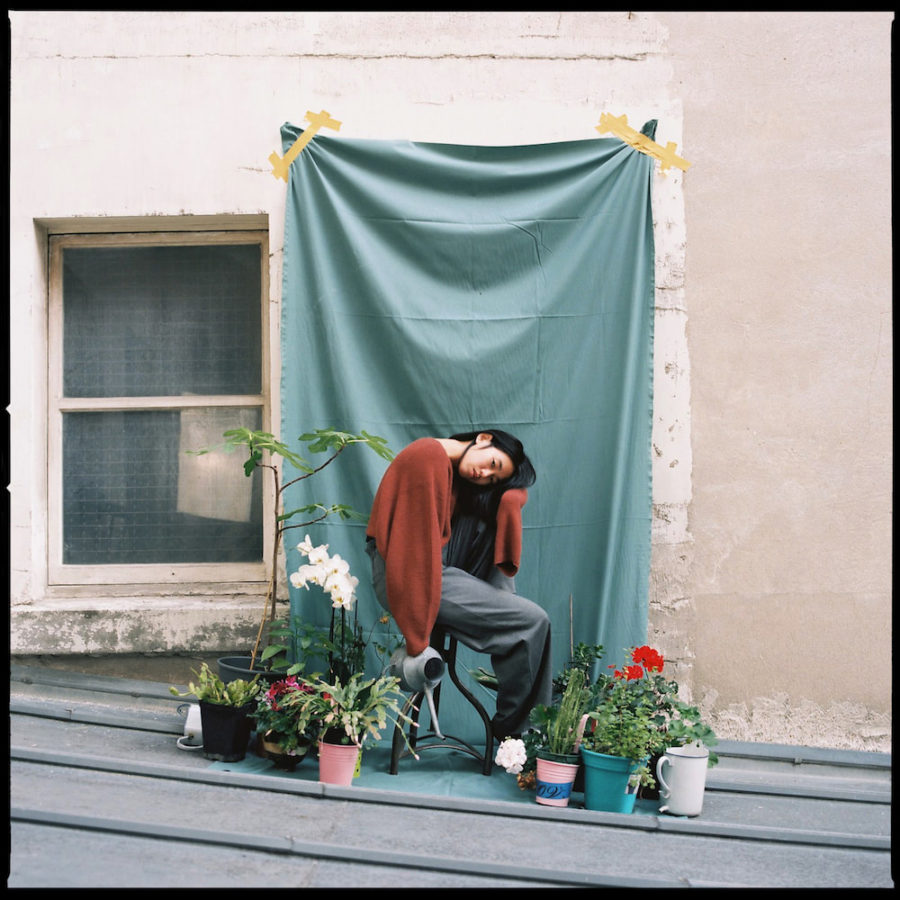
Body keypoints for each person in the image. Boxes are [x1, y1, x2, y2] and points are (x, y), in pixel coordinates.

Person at [365, 429, 552, 739]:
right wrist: (417, 639)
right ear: (483, 438)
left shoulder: (448, 468)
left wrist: (511, 496)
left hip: (430, 566)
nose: (485, 474)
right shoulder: (428, 457)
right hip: (409, 575)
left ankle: (503, 608)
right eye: (493, 463)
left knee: (496, 505)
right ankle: (519, 736)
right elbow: (412, 558)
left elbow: (508, 497)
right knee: (534, 622)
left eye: (493, 476)